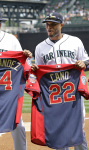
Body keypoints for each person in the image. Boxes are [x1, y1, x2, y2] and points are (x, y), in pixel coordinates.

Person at [31, 12, 89, 150]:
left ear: (61, 25)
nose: (49, 27)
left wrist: (85, 64)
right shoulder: (40, 47)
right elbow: (39, 73)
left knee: (78, 131)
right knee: (58, 131)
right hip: (54, 97)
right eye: (47, 24)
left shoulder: (75, 41)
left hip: (73, 95)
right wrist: (34, 69)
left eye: (53, 24)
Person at [0, 12, 32, 150]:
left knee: (18, 123)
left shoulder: (10, 40)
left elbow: (22, 63)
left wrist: (26, 56)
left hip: (8, 91)